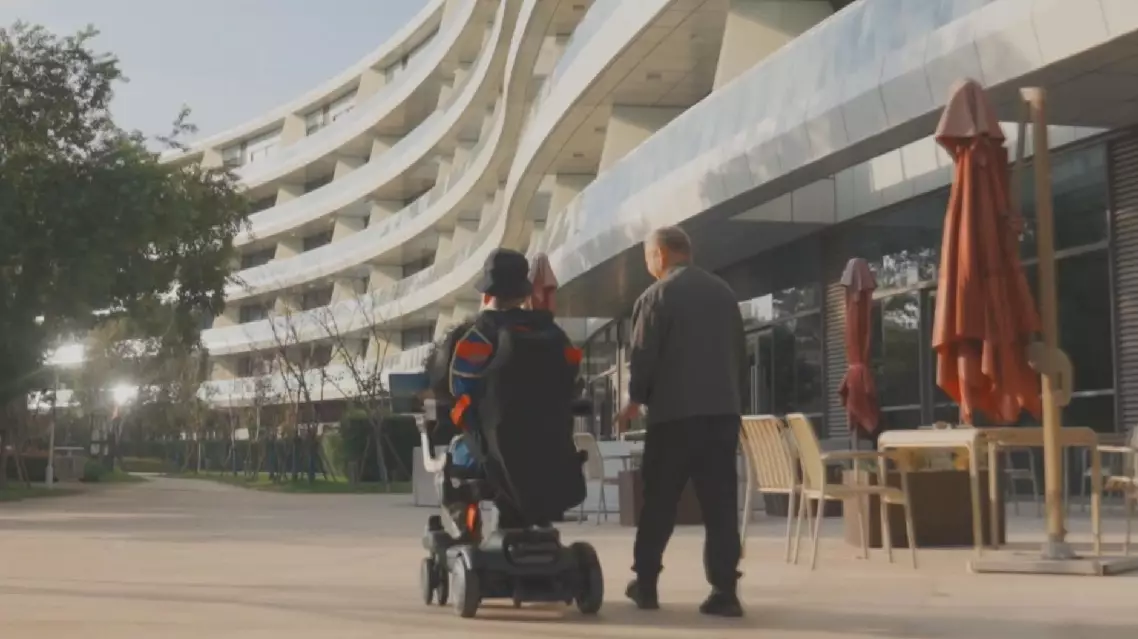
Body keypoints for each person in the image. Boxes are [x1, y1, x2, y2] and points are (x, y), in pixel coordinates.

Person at [619, 226, 746, 618]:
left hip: (674, 416)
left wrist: (634, 400)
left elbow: (643, 355)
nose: (649, 266)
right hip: (722, 414)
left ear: (659, 254)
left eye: (647, 258)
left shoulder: (656, 296)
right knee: (720, 505)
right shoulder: (724, 294)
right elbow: (739, 355)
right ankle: (725, 590)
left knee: (659, 502)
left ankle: (646, 584)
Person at [427, 248, 583, 531]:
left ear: (488, 292)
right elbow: (572, 381)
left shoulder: (480, 336)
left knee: (451, 461)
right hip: (551, 451)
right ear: (524, 293)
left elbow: (459, 386)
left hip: (493, 452)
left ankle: (466, 529)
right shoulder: (555, 335)